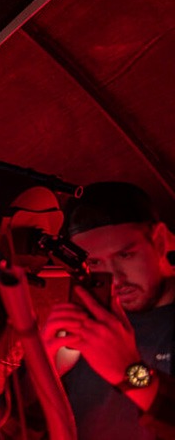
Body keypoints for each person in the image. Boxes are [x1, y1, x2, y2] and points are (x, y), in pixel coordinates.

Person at [41, 181, 174, 439]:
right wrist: (42, 375)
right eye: (94, 262)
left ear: (158, 242)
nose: (115, 278)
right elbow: (5, 426)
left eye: (126, 255)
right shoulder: (80, 322)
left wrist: (129, 372)